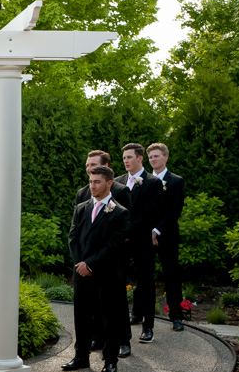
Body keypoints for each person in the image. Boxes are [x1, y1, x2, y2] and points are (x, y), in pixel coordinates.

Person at [63, 166, 130, 372]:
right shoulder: (81, 208)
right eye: (91, 181)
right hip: (81, 274)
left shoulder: (119, 212)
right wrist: (80, 265)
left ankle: (110, 361)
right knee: (81, 317)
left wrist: (90, 265)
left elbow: (114, 246)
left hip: (106, 275)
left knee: (109, 319)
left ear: (109, 183)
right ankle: (81, 357)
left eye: (97, 182)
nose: (92, 185)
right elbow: (73, 238)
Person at [73, 150, 131, 354]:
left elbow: (123, 231)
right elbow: (78, 232)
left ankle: (123, 340)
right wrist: (83, 263)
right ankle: (97, 338)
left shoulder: (121, 192)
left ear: (106, 168)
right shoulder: (82, 194)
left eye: (93, 165)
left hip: (111, 260)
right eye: (87, 165)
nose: (89, 168)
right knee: (91, 306)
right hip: (86, 263)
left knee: (115, 304)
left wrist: (95, 262)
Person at [114, 143, 164, 347]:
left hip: (142, 240)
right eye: (124, 157)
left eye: (129, 157)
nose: (126, 160)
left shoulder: (152, 183)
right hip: (121, 243)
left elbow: (149, 214)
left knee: (146, 283)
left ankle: (148, 327)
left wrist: (126, 230)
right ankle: (121, 325)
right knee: (118, 281)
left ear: (140, 158)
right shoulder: (118, 182)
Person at [147, 143, 186, 332]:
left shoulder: (176, 181)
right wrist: (148, 230)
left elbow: (175, 211)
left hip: (167, 235)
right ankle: (139, 313)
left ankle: (177, 316)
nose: (153, 159)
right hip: (146, 236)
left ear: (165, 157)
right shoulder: (143, 181)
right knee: (144, 275)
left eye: (156, 156)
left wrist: (158, 229)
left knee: (171, 276)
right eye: (150, 157)